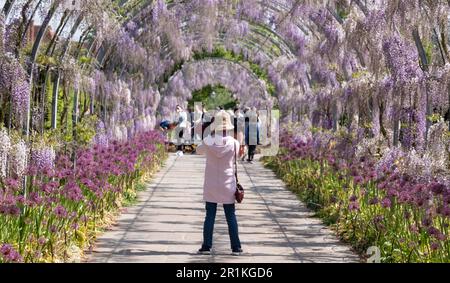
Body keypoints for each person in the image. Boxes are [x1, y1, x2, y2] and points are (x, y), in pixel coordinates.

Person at [196, 110, 243, 256]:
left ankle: (206, 246)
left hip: (211, 184)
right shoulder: (234, 143)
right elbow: (241, 156)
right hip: (228, 183)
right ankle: (236, 247)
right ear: (227, 127)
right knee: (231, 216)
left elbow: (198, 151)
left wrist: (208, 139)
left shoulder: (209, 141)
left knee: (210, 215)